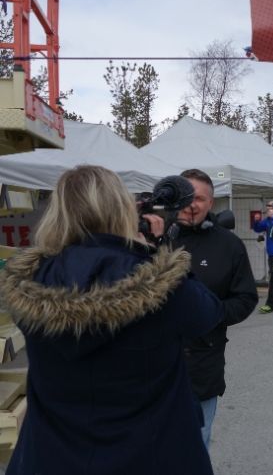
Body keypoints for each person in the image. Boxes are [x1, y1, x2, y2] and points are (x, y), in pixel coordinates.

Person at [0, 165, 223, 475]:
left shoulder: (31, 282)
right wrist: (157, 252)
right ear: (122, 208)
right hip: (154, 456)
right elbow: (207, 313)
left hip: (52, 457)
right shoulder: (157, 280)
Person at [173, 168, 259, 448]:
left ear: (211, 203)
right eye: (185, 196)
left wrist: (212, 315)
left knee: (196, 443)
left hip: (202, 363)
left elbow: (246, 298)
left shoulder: (229, 245)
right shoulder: (154, 239)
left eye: (198, 198)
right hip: (152, 361)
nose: (191, 204)